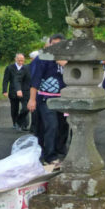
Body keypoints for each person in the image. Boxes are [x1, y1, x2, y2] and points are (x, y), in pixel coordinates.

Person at [28, 33, 67, 165]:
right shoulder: (42, 59)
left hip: (63, 99)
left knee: (62, 126)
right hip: (46, 98)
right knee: (51, 125)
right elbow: (35, 81)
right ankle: (49, 156)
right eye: (53, 44)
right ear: (49, 45)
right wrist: (32, 100)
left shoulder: (67, 59)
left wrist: (65, 64)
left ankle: (58, 149)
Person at [2, 53, 31, 131]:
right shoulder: (9, 68)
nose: (20, 61)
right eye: (19, 60)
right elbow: (6, 80)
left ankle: (24, 124)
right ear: (15, 59)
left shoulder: (26, 68)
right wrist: (4, 90)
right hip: (13, 91)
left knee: (25, 108)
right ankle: (15, 123)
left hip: (25, 91)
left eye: (22, 60)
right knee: (14, 108)